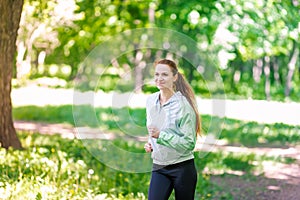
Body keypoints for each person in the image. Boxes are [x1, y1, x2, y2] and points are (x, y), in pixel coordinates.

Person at [144, 58, 201, 200]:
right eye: (157, 74)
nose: (159, 78)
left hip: (182, 168)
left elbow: (189, 144)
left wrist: (161, 136)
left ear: (174, 77)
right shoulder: (151, 101)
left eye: (164, 75)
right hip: (159, 167)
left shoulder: (184, 106)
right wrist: (151, 143)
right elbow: (154, 130)